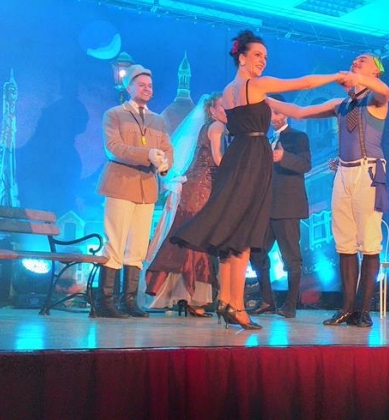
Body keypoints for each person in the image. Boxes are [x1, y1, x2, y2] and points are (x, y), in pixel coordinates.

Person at [169, 30, 342, 330]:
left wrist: (335, 106)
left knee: (235, 231)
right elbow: (302, 84)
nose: (263, 60)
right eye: (258, 55)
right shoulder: (256, 86)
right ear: (242, 57)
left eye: (265, 56)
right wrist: (336, 76)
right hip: (251, 157)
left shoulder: (229, 91)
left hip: (239, 155)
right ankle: (235, 305)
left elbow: (298, 111)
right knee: (245, 232)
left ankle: (227, 300)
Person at [266, 53, 389, 328]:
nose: (356, 61)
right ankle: (346, 308)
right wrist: (264, 98)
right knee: (345, 242)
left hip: (368, 172)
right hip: (343, 173)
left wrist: (356, 78)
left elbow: (385, 90)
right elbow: (300, 112)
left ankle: (363, 310)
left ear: (375, 71)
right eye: (354, 60)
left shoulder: (376, 99)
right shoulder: (341, 105)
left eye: (363, 60)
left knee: (369, 243)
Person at [96, 64, 174, 318]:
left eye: (149, 86)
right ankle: (105, 300)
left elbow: (167, 148)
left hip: (146, 188)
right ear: (129, 87)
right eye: (141, 85)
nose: (147, 89)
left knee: (138, 246)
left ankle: (128, 300)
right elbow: (113, 148)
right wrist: (147, 154)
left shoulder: (158, 120)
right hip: (120, 183)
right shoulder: (114, 114)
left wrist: (164, 164)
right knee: (115, 243)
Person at [144, 94, 228, 317]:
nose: (226, 110)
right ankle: (191, 296)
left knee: (185, 236)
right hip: (202, 187)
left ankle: (180, 294)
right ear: (212, 110)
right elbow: (218, 159)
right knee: (196, 239)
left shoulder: (205, 128)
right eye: (222, 106)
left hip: (194, 185)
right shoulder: (217, 126)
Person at [248, 94, 311, 318]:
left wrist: (284, 157)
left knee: (291, 257)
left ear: (285, 112)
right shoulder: (263, 140)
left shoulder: (298, 137)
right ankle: (267, 300)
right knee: (256, 253)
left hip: (287, 207)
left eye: (276, 112)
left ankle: (290, 305)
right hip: (265, 208)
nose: (273, 118)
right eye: (270, 113)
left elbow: (305, 164)